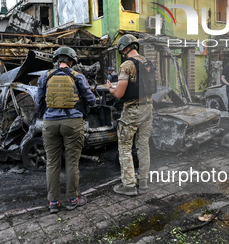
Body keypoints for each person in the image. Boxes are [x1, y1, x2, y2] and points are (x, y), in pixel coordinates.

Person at [35, 46, 96, 214]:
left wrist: (47, 114)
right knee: (72, 163)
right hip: (72, 123)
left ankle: (53, 202)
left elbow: (38, 100)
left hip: (50, 123)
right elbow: (91, 100)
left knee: (52, 163)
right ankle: (72, 200)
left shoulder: (44, 77)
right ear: (72, 61)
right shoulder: (78, 77)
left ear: (56, 60)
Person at [106, 34, 153, 196]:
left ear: (125, 49)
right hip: (148, 108)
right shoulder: (147, 62)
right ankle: (143, 181)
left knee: (125, 147)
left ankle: (129, 185)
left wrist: (110, 88)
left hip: (133, 110)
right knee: (143, 145)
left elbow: (119, 93)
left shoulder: (127, 65)